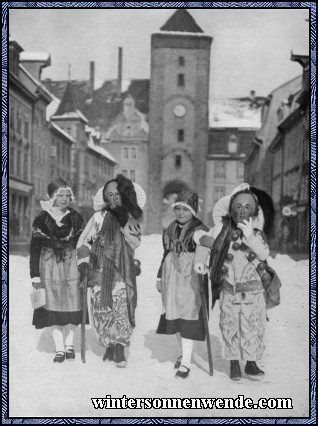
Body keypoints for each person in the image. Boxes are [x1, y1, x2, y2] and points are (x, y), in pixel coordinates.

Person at [194, 183, 275, 380]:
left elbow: (264, 253)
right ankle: (233, 363)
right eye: (238, 206)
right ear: (230, 210)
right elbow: (204, 243)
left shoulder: (255, 232)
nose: (242, 211)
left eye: (248, 207)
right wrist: (200, 262)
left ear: (254, 210)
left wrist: (249, 237)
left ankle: (251, 362)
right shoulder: (220, 231)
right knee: (230, 326)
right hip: (229, 289)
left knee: (253, 326)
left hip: (253, 291)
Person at [76, 174, 145, 367]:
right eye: (110, 195)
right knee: (101, 308)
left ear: (124, 195)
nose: (114, 198)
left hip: (121, 269)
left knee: (121, 307)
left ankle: (120, 347)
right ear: (105, 198)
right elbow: (84, 240)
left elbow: (135, 242)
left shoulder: (132, 217)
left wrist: (124, 224)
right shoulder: (98, 216)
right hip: (99, 267)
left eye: (117, 194)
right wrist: (83, 259)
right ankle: (109, 344)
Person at [29, 178, 86, 363]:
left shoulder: (76, 218)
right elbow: (35, 248)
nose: (64, 199)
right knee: (52, 307)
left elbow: (84, 244)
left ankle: (69, 345)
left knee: (72, 306)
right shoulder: (42, 219)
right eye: (60, 195)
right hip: (49, 266)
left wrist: (85, 266)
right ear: (52, 197)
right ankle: (59, 349)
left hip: (71, 266)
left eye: (68, 195)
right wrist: (34, 275)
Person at [156, 190, 209, 379]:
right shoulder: (170, 228)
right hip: (171, 276)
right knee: (176, 316)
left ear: (193, 211)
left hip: (190, 277)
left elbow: (206, 245)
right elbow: (165, 253)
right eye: (177, 208)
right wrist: (160, 277)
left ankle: (186, 362)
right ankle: (185, 354)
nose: (180, 213)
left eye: (185, 210)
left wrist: (202, 259)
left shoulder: (199, 229)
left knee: (187, 317)